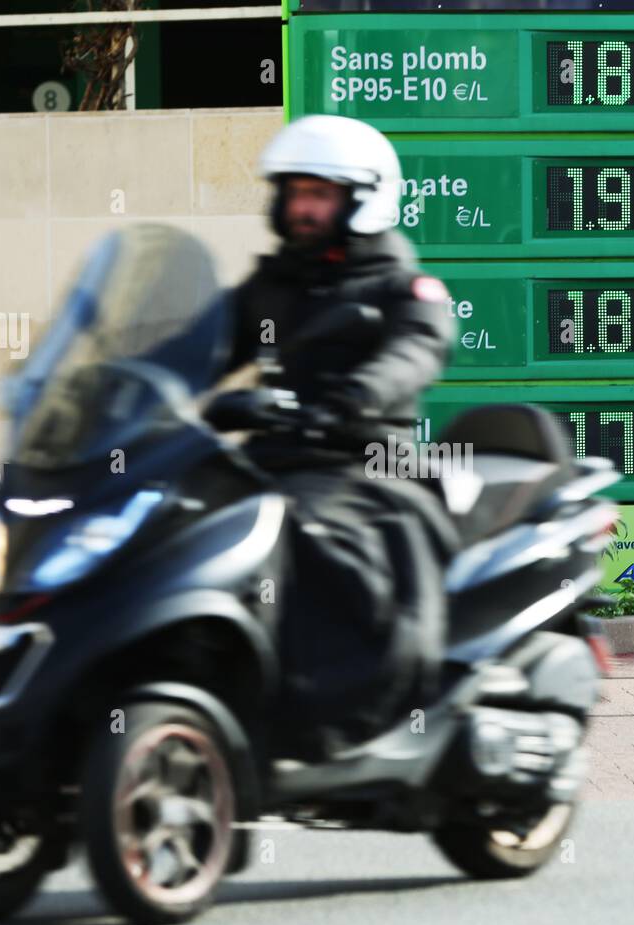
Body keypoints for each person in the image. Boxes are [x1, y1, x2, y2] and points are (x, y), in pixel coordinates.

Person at [219, 114, 460, 761]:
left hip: (366, 461)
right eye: (295, 191)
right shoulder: (272, 286)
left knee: (303, 538)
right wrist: (132, 380)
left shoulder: (401, 285)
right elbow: (203, 344)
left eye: (319, 193)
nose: (302, 206)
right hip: (276, 455)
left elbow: (416, 349)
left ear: (363, 198)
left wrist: (353, 398)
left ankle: (330, 716)